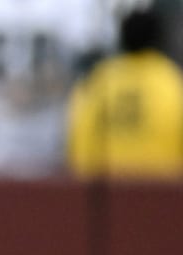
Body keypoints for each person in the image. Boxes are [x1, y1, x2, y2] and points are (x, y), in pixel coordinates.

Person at [67, 5, 183, 179]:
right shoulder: (172, 83)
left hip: (105, 197)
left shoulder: (98, 82)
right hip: (159, 196)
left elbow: (78, 142)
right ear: (159, 39)